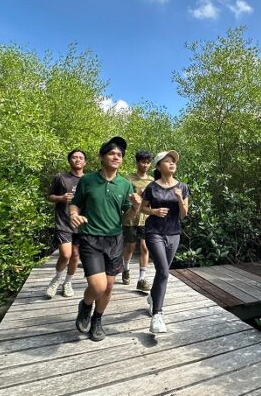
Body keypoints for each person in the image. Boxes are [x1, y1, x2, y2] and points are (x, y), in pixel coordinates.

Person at [69, 136, 142, 341]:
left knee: (109, 286)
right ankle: (85, 306)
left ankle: (97, 320)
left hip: (114, 240)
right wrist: (74, 215)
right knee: (98, 286)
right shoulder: (87, 180)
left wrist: (136, 207)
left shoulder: (125, 185)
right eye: (111, 153)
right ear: (102, 157)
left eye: (119, 155)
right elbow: (75, 204)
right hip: (90, 238)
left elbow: (126, 217)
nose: (116, 157)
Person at [140, 150, 189, 333]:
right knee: (163, 271)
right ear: (159, 166)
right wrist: (154, 212)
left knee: (163, 272)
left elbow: (184, 214)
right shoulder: (152, 187)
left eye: (173, 161)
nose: (172, 164)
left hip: (174, 233)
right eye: (167, 161)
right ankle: (157, 315)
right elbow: (143, 209)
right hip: (154, 232)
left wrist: (179, 199)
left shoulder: (182, 187)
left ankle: (153, 298)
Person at [44, 149, 86, 299]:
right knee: (65, 254)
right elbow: (49, 197)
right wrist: (61, 198)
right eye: (74, 157)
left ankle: (67, 282)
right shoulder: (61, 178)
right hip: (63, 221)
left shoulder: (89, 180)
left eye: (81, 158)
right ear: (69, 161)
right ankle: (56, 279)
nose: (77, 160)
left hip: (82, 224)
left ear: (85, 162)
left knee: (75, 256)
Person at [121, 150, 154, 291]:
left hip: (146, 219)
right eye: (143, 162)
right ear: (137, 162)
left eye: (148, 162)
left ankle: (142, 279)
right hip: (131, 219)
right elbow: (124, 198)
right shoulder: (128, 179)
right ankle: (126, 268)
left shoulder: (152, 181)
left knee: (145, 247)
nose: (145, 165)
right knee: (130, 247)